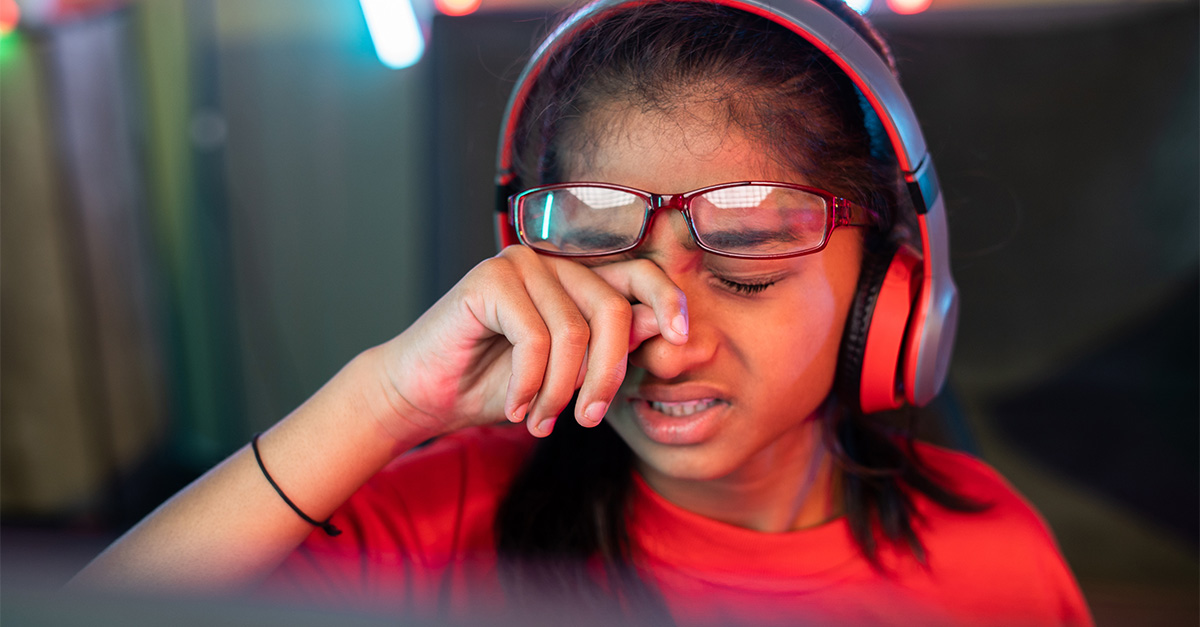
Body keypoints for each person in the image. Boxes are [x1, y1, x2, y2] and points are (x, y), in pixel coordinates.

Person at [71, 0, 1092, 625]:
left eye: (744, 261)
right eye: (606, 260)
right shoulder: (445, 519)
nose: (666, 333)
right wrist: (382, 400)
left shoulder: (994, 560)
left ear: (890, 290)